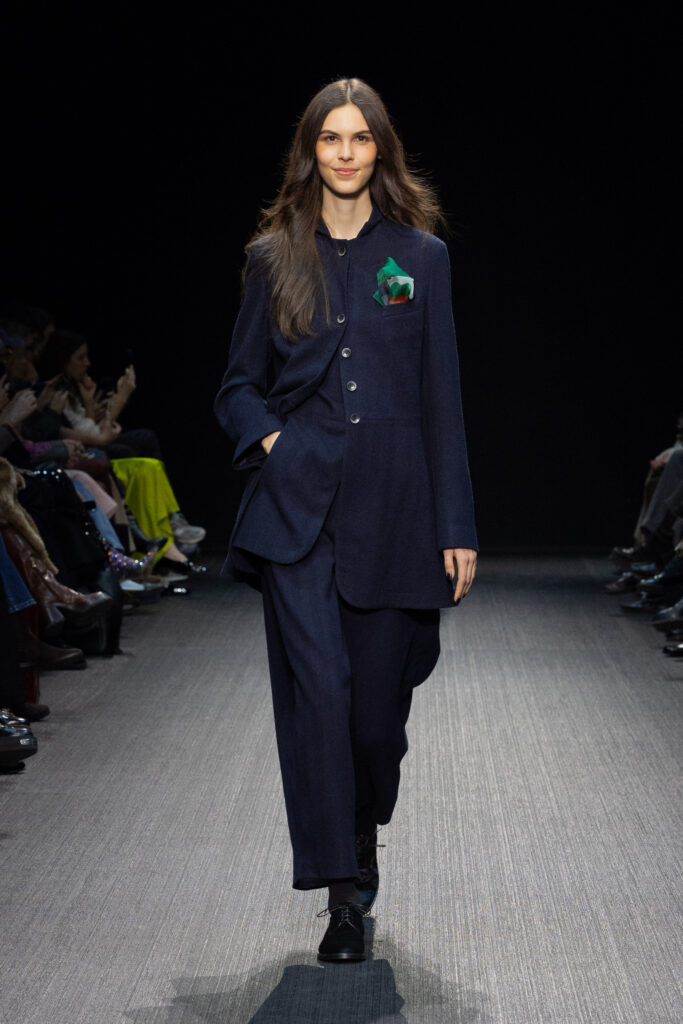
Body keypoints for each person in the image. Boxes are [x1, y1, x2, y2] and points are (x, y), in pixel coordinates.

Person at [215, 77, 477, 963]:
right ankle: (342, 895)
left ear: (379, 150)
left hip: (396, 513)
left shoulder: (421, 258)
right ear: (310, 151)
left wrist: (456, 524)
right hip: (297, 517)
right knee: (319, 700)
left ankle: (361, 832)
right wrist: (275, 442)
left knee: (373, 722)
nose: (344, 152)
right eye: (330, 138)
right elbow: (237, 388)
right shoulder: (273, 256)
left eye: (359, 138)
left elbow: (442, 398)